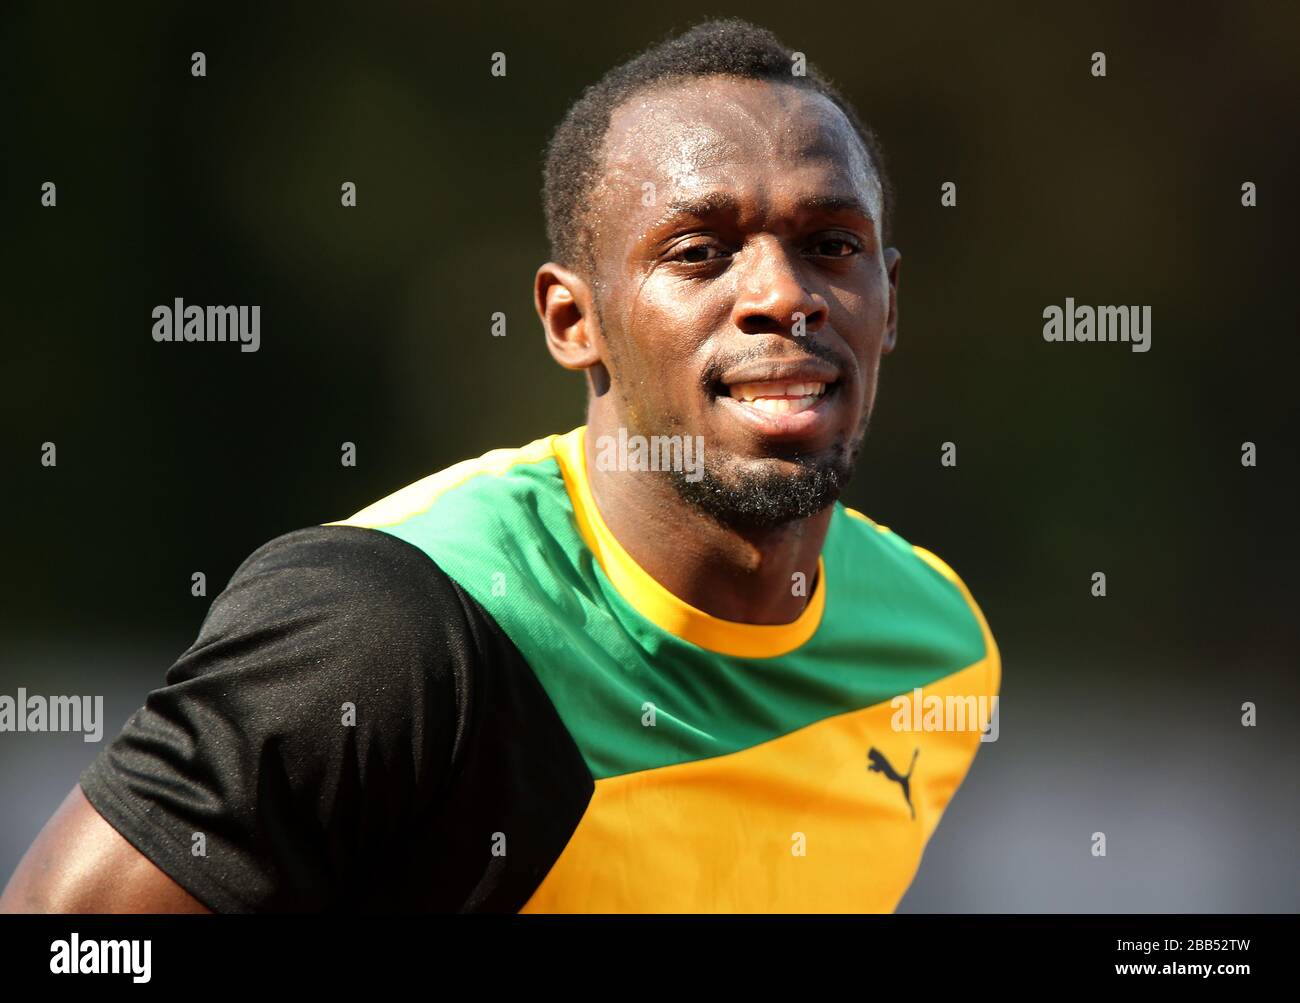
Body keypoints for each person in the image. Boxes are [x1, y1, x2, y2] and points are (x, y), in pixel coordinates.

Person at [1, 16, 999, 914]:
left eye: (831, 243)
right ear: (574, 321)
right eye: (699, 252)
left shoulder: (938, 649)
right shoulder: (389, 632)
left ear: (890, 301)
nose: (783, 294)